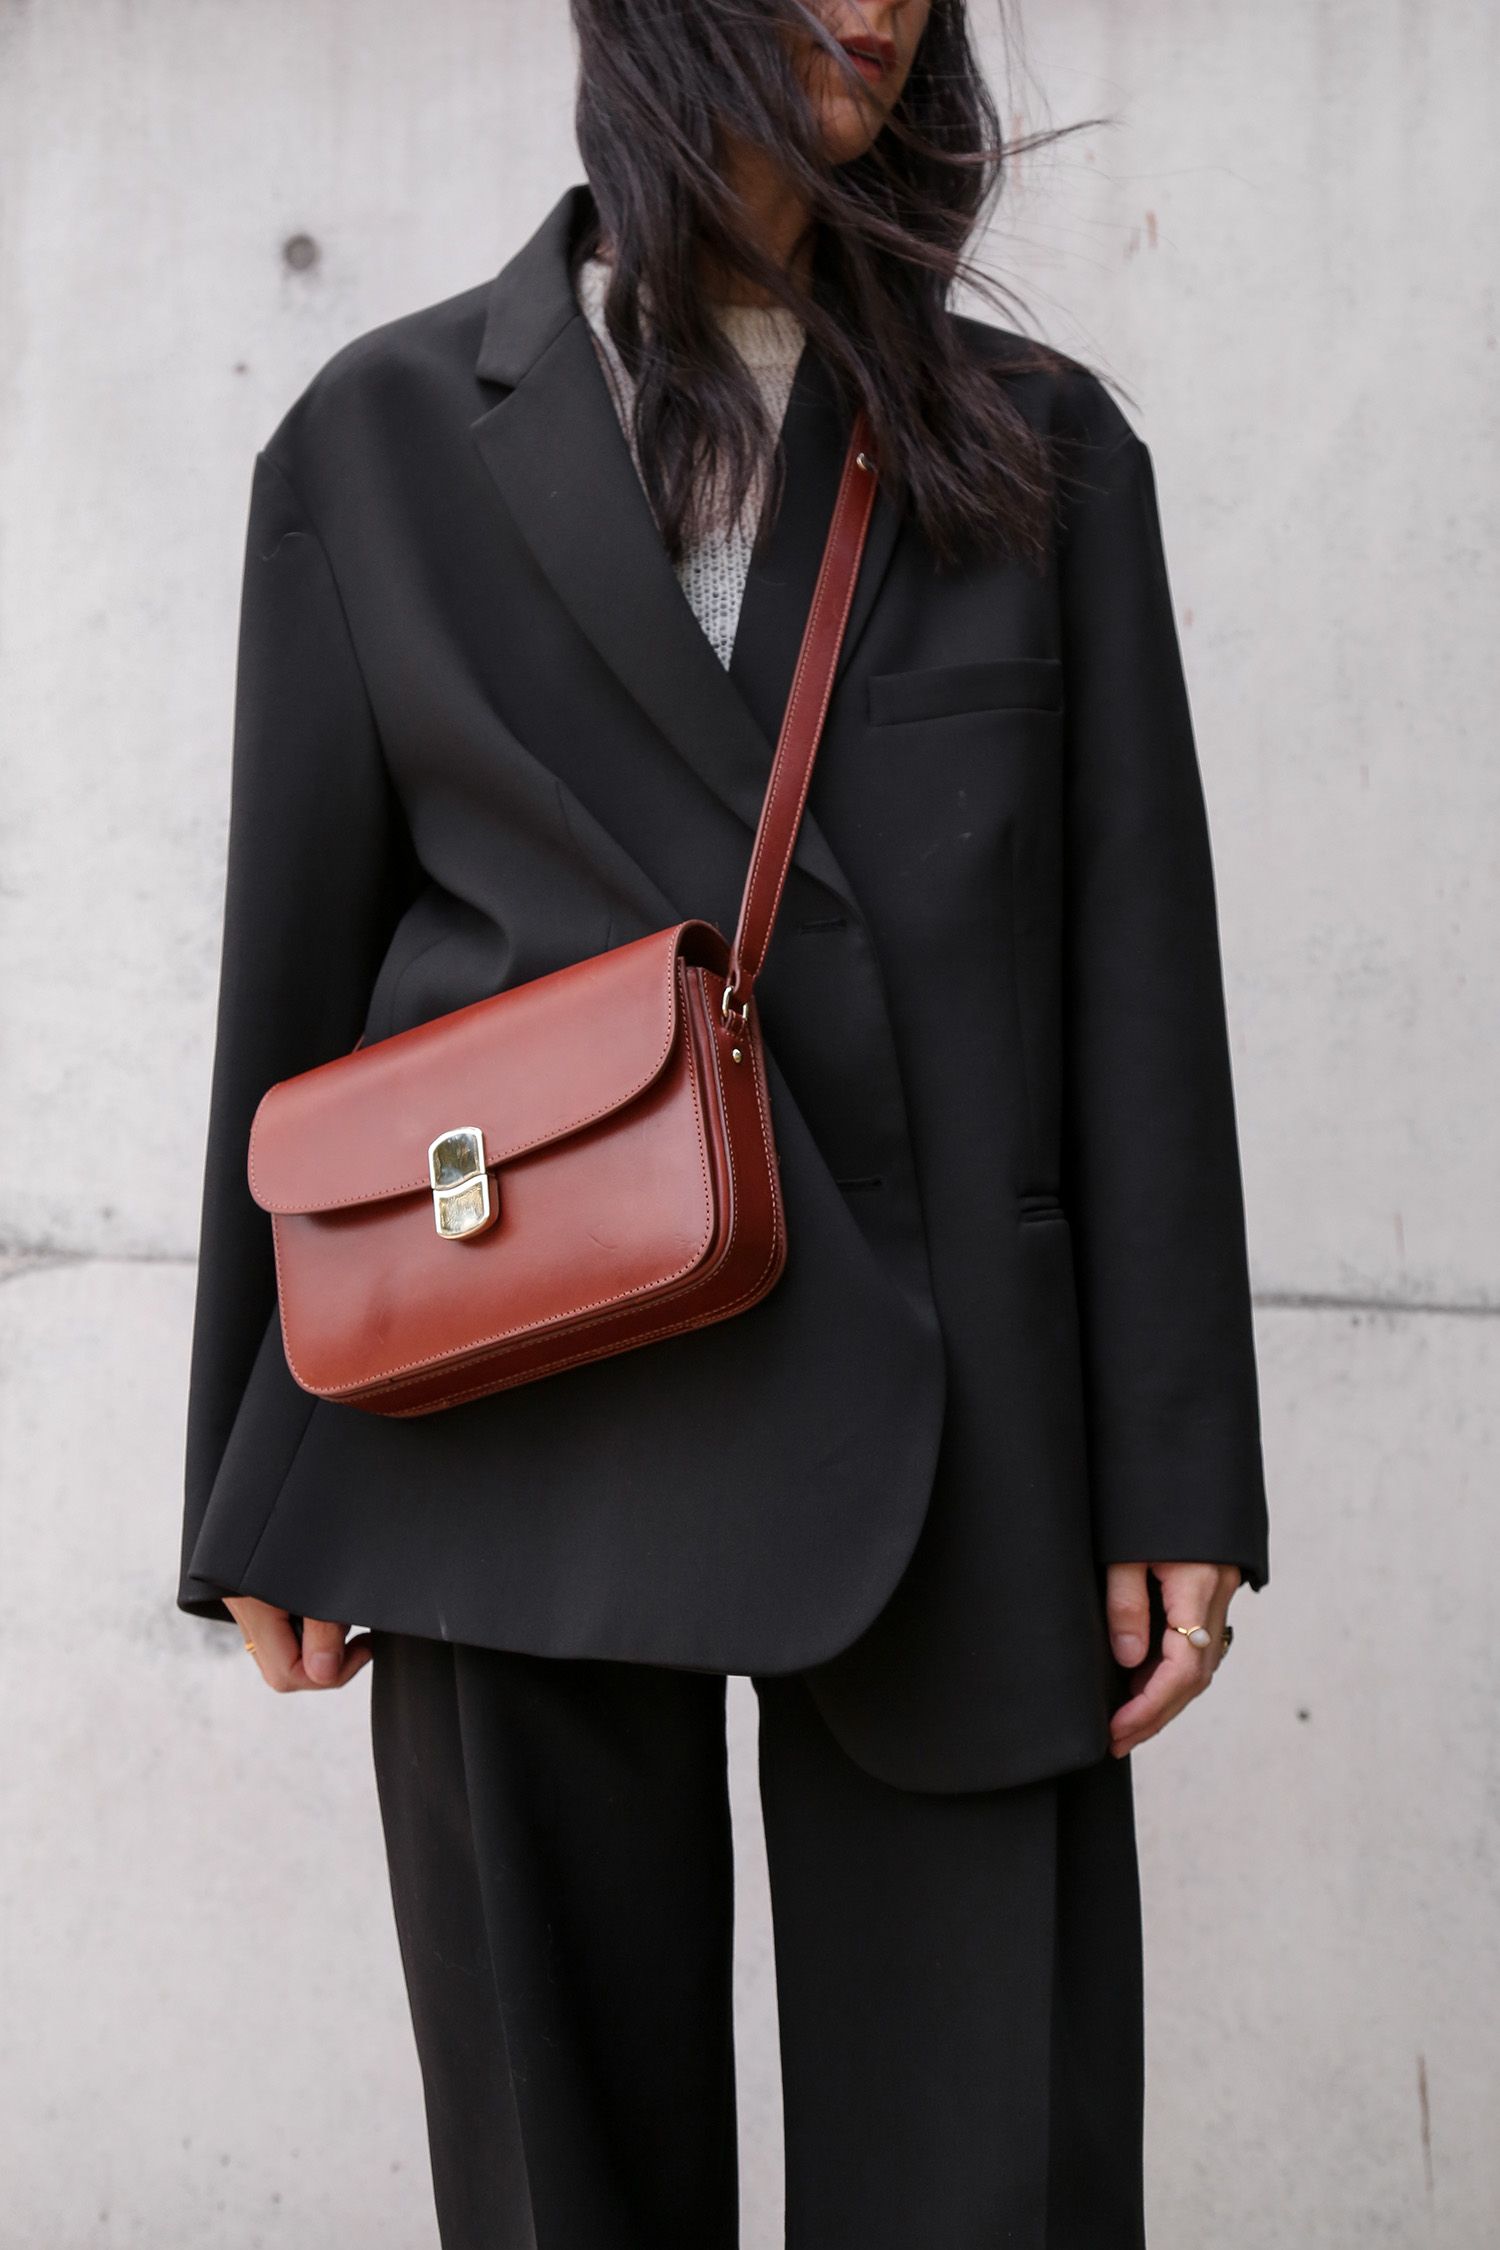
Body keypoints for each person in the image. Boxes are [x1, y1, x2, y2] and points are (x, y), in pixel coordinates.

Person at [181, 3, 1268, 2243]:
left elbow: (1135, 974)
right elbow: (293, 980)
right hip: (508, 1406)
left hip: (963, 1411)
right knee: (561, 2182)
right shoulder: (377, 441)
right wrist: (253, 1472)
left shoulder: (1041, 452)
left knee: (995, 2186)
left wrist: (1177, 1469)